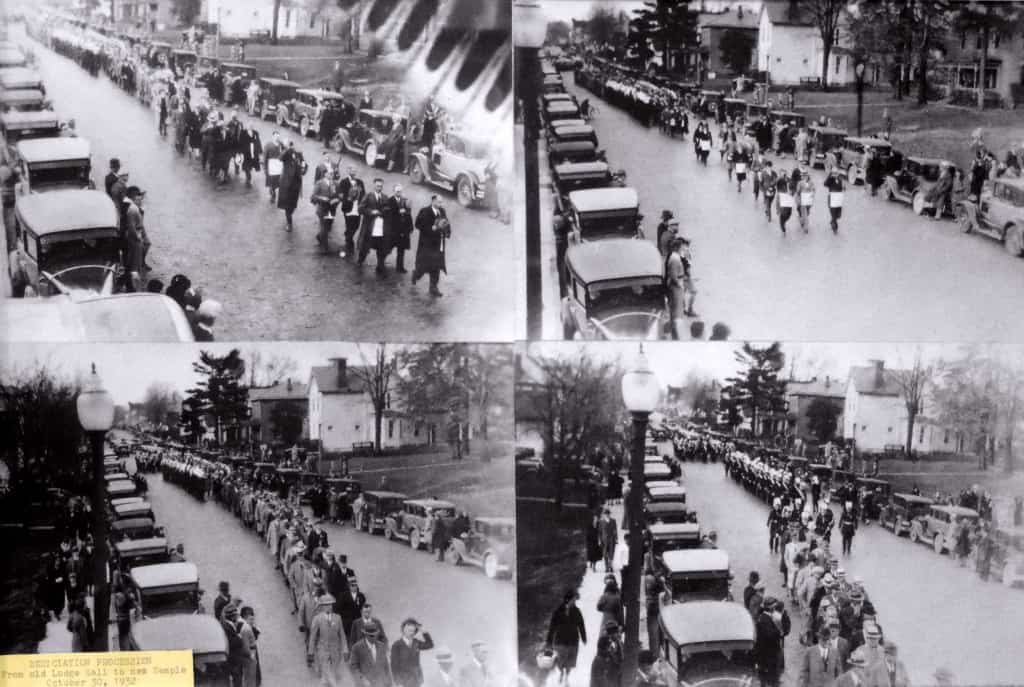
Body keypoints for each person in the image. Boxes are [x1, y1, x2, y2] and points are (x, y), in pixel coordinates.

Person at [412, 195, 450, 297]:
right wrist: (430, 228)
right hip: (427, 245)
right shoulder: (425, 211)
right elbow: (417, 224)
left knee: (436, 265)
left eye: (441, 202)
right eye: (438, 202)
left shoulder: (442, 211)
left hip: (438, 244)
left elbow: (447, 223)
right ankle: (416, 274)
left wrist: (447, 232)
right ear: (433, 201)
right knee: (423, 265)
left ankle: (433, 287)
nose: (440, 204)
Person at [546, 590, 587, 686]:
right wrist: (549, 640)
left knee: (570, 661)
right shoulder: (558, 611)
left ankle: (567, 676)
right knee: (560, 660)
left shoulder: (576, 611)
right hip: (560, 640)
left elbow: (581, 625)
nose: (575, 601)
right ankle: (561, 673)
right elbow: (552, 626)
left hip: (573, 640)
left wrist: (583, 637)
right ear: (568, 599)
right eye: (573, 599)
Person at [309, 595, 348, 687]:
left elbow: (342, 635)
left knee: (330, 675)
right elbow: (313, 637)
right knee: (328, 672)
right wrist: (310, 652)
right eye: (326, 605)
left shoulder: (337, 618)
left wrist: (345, 649)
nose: (329, 607)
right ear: (322, 606)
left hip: (335, 650)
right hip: (322, 650)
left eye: (330, 605)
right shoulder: (317, 619)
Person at [358, 178, 390, 272]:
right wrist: (371, 211)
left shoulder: (385, 197)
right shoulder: (368, 196)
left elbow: (388, 209)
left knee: (381, 247)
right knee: (365, 245)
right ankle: (360, 260)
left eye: (381, 186)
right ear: (374, 186)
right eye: (377, 186)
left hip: (380, 226)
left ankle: (380, 265)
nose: (379, 188)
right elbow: (360, 209)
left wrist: (385, 211)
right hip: (370, 226)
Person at [390, 619, 434, 687]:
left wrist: (423, 630)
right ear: (403, 630)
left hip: (417, 680)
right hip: (404, 682)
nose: (411, 633)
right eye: (409, 630)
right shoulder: (396, 645)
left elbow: (430, 644)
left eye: (413, 631)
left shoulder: (416, 643)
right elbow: (394, 666)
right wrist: (398, 683)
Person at [122, 185, 150, 290]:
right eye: (138, 199)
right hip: (135, 240)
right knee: (135, 262)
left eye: (140, 199)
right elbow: (132, 227)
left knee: (136, 261)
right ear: (134, 199)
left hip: (135, 238)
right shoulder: (133, 210)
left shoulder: (134, 208)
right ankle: (133, 285)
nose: (140, 201)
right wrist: (138, 238)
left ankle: (133, 281)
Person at [753, 597, 785, 687]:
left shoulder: (764, 617)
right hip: (768, 657)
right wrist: (779, 632)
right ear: (772, 608)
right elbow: (770, 636)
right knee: (771, 680)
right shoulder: (765, 620)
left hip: (766, 656)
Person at [278, 141, 307, 231]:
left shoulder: (299, 155)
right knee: (287, 205)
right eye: (293, 146)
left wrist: (303, 169)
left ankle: (289, 215)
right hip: (286, 184)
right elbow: (280, 158)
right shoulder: (287, 154)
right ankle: (289, 223)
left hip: (296, 184)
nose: (296, 147)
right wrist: (287, 149)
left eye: (296, 145)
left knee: (293, 205)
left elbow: (304, 166)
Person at [387, 184, 413, 273]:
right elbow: (389, 214)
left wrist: (410, 227)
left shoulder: (405, 201)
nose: (399, 193)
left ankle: (400, 267)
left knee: (401, 250)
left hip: (403, 230)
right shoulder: (390, 201)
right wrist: (398, 211)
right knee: (388, 247)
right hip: (394, 230)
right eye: (397, 191)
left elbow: (409, 214)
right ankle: (381, 263)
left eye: (400, 191)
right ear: (394, 191)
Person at [590, 622, 623, 687]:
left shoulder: (617, 642)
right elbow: (604, 652)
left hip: (612, 670)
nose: (618, 634)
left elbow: (620, 657)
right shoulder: (605, 640)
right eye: (615, 632)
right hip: (604, 668)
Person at [238, 606, 262, 687]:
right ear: (245, 617)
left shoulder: (247, 626)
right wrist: (251, 656)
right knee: (249, 677)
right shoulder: (245, 628)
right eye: (251, 619)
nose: (253, 621)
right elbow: (245, 645)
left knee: (251, 676)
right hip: (249, 655)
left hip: (251, 652)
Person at [263, 131, 283, 203]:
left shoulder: (281, 144)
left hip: (278, 166)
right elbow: (265, 157)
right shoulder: (268, 145)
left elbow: (285, 151)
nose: (277, 138)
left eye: (278, 137)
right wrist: (265, 168)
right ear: (272, 137)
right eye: (275, 136)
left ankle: (273, 190)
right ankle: (273, 194)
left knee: (277, 181)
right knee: (271, 182)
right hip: (271, 166)